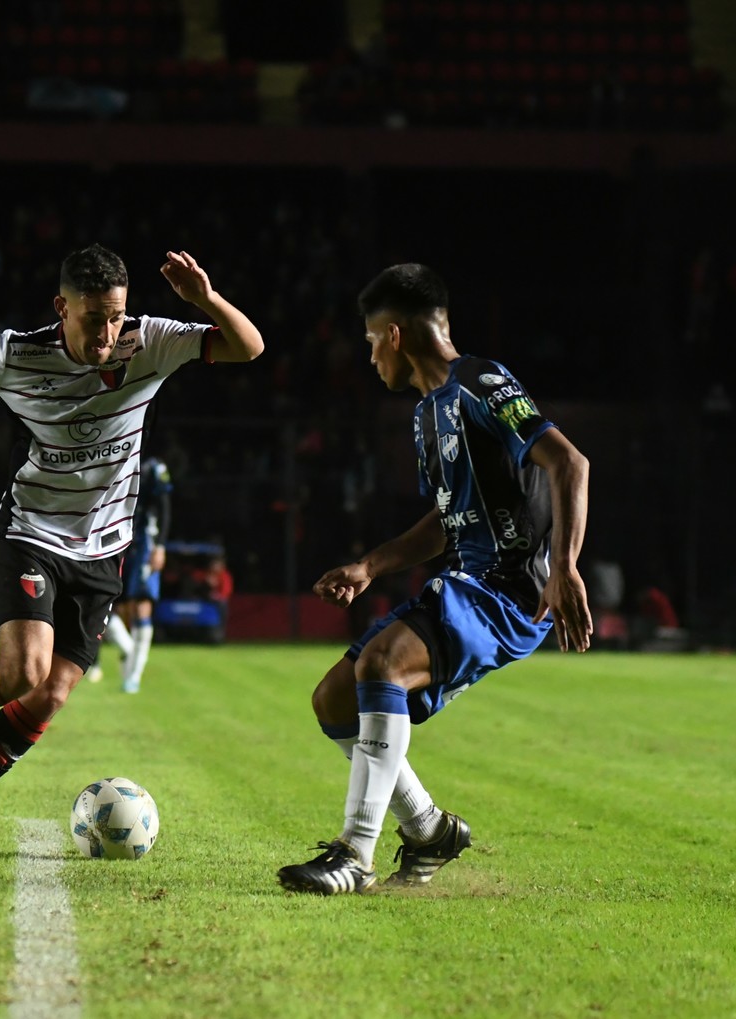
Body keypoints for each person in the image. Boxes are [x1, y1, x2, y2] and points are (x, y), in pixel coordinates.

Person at [0, 244, 263, 855]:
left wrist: (206, 300)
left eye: (116, 316)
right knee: (22, 672)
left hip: (105, 549)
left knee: (50, 694)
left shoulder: (151, 341)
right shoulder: (16, 353)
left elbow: (249, 347)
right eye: (93, 318)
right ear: (62, 308)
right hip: (30, 531)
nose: (107, 333)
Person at [277, 264, 592, 895]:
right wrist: (370, 566)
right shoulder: (426, 415)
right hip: (467, 582)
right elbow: (445, 524)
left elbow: (569, 462)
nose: (371, 358)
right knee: (334, 699)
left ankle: (355, 854)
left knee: (383, 665)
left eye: (372, 342)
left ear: (394, 336)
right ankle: (429, 830)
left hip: (510, 591)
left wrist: (564, 567)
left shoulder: (481, 381)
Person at [92, 452, 173, 693]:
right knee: (106, 604)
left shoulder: (154, 467)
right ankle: (129, 649)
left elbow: (164, 506)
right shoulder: (114, 456)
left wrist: (160, 546)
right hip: (116, 541)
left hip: (145, 545)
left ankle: (133, 676)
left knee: (141, 606)